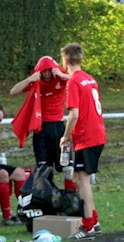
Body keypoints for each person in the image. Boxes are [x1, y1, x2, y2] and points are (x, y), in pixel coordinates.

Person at [60, 43, 106, 240]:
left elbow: (75, 114)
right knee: (78, 178)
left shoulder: (74, 82)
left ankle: (88, 225)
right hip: (97, 133)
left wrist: (66, 135)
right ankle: (93, 219)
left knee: (83, 180)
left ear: (65, 60)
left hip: (87, 136)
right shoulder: (90, 79)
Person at [10, 56, 76, 192]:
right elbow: (13, 91)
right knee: (44, 169)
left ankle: (71, 197)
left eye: (49, 71)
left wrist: (62, 74)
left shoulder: (61, 79)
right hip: (41, 128)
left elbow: (77, 82)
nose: (46, 74)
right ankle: (49, 199)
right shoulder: (36, 81)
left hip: (59, 127)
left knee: (68, 167)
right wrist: (29, 79)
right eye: (43, 71)